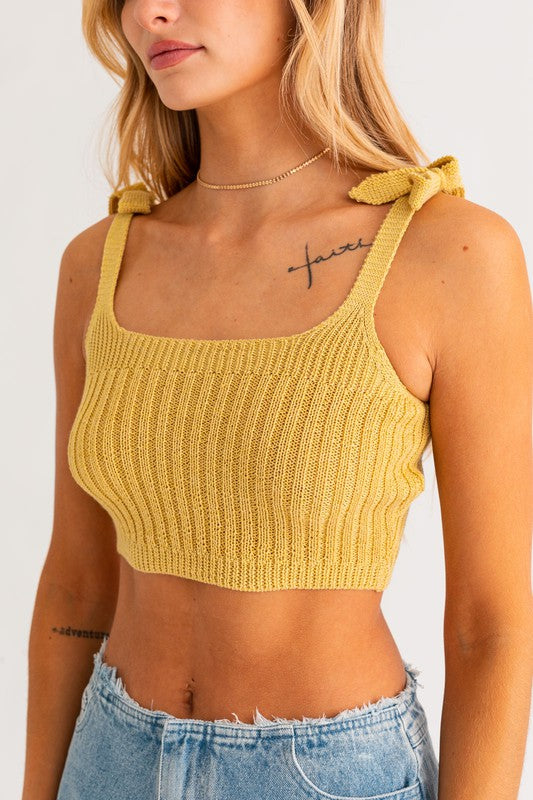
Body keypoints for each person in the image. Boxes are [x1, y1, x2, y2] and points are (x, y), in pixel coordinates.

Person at [22, 2, 532, 799]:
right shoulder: (99, 263)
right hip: (108, 759)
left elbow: (488, 627)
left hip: (325, 774)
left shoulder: (449, 254)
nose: (149, 13)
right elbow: (75, 588)